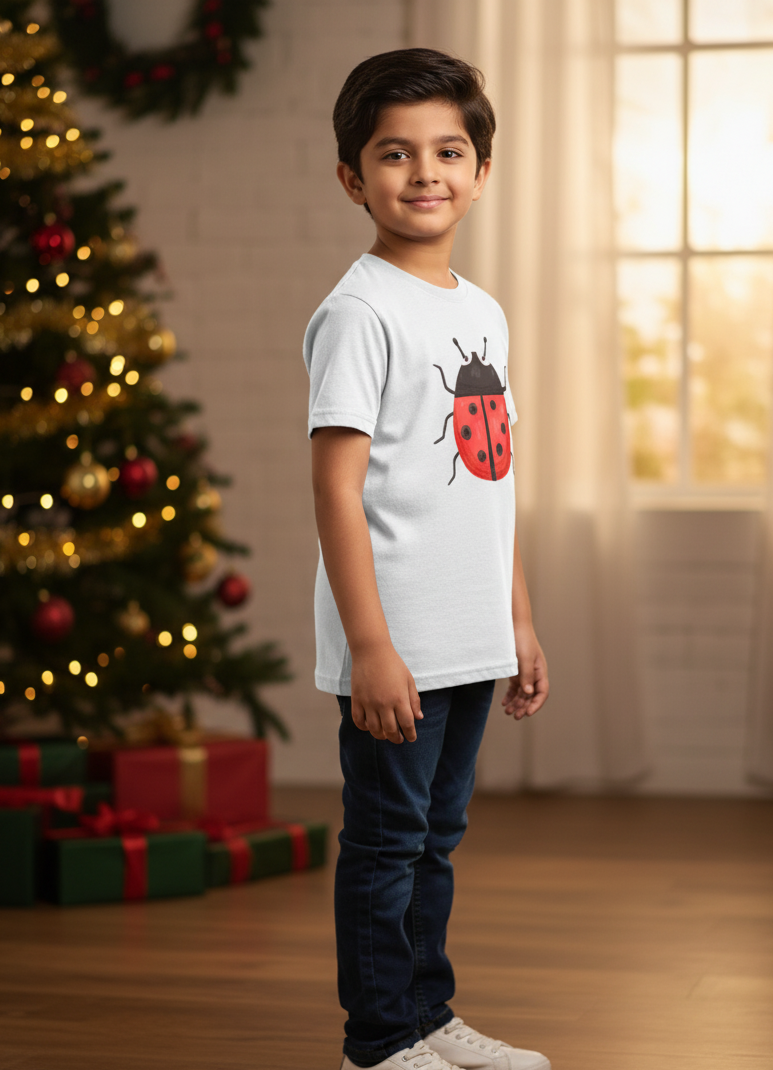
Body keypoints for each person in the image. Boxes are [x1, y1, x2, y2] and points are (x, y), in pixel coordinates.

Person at [304, 48, 550, 1070]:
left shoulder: (479, 309)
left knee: (436, 839)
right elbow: (335, 487)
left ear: (481, 172)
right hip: (396, 638)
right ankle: (377, 1037)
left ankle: (426, 1010)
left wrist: (518, 618)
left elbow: (487, 486)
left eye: (448, 150)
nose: (425, 172)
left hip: (468, 632)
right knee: (387, 841)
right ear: (354, 178)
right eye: (394, 154)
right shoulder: (358, 311)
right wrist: (370, 646)